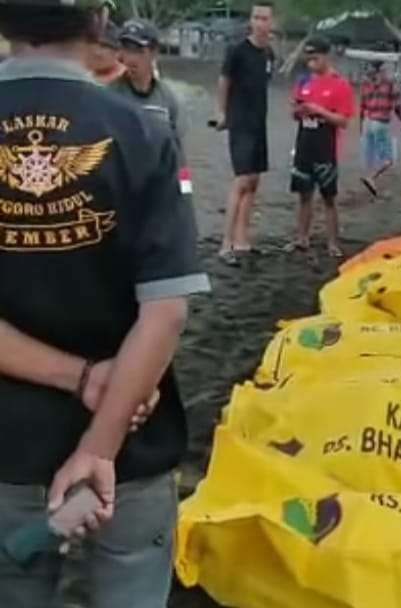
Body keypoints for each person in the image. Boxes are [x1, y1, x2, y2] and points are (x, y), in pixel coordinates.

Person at [0, 0, 210, 606]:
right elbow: (166, 310)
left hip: (9, 444)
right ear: (98, 20)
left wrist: (78, 379)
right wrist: (99, 443)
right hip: (133, 445)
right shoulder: (141, 129)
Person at [215, 1, 275, 264]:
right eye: (256, 17)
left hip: (258, 123)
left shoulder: (269, 54)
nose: (260, 22)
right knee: (240, 181)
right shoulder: (237, 50)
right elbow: (224, 80)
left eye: (265, 18)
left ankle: (242, 240)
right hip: (239, 123)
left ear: (273, 22)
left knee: (254, 182)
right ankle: (225, 244)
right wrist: (221, 112)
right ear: (251, 21)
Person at [287, 36, 354, 259]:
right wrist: (300, 111)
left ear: (326, 56)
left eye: (315, 58)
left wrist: (319, 110)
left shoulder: (339, 84)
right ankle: (302, 237)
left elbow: (343, 120)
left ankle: (332, 242)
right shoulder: (304, 81)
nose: (311, 63)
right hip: (304, 143)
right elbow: (293, 110)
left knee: (328, 197)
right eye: (308, 58)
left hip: (326, 147)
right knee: (304, 195)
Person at [111, 19, 188, 159]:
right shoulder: (109, 96)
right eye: (126, 49)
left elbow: (177, 150)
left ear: (154, 52)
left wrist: (185, 180)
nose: (131, 58)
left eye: (139, 50)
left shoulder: (168, 98)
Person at [359, 60, 401, 199]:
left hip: (368, 122)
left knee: (371, 155)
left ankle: (370, 184)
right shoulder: (390, 84)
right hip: (381, 123)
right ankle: (371, 178)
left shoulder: (366, 84)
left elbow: (362, 106)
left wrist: (360, 125)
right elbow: (399, 107)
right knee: (388, 160)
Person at [88, 19, 125, 85]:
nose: (97, 52)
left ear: (117, 51)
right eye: (92, 46)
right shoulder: (82, 77)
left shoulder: (127, 77)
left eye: (103, 47)